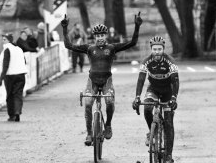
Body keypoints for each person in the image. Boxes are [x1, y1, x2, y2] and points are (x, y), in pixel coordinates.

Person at [61, 12, 143, 146]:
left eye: (102, 35)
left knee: (109, 102)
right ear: (95, 37)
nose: (100, 38)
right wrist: (64, 29)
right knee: (88, 104)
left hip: (106, 80)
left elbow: (132, 43)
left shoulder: (111, 48)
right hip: (92, 80)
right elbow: (68, 45)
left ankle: (108, 125)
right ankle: (89, 134)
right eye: (97, 36)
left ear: (106, 36)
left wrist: (137, 26)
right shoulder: (89, 48)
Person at [132, 36, 179, 163]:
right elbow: (141, 80)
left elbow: (175, 81)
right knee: (147, 108)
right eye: (155, 49)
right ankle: (151, 131)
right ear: (151, 49)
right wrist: (137, 97)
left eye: (159, 49)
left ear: (163, 49)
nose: (157, 51)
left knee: (169, 124)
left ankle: (168, 155)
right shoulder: (146, 61)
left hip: (167, 92)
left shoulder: (170, 61)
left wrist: (174, 98)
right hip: (153, 89)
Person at [0, 33, 27, 122]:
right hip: (21, 74)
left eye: (4, 39)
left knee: (10, 95)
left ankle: (12, 115)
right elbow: (24, 61)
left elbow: (5, 65)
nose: (3, 41)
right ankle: (17, 111)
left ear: (9, 40)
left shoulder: (7, 49)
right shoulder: (19, 49)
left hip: (10, 75)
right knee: (18, 94)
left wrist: (1, 78)